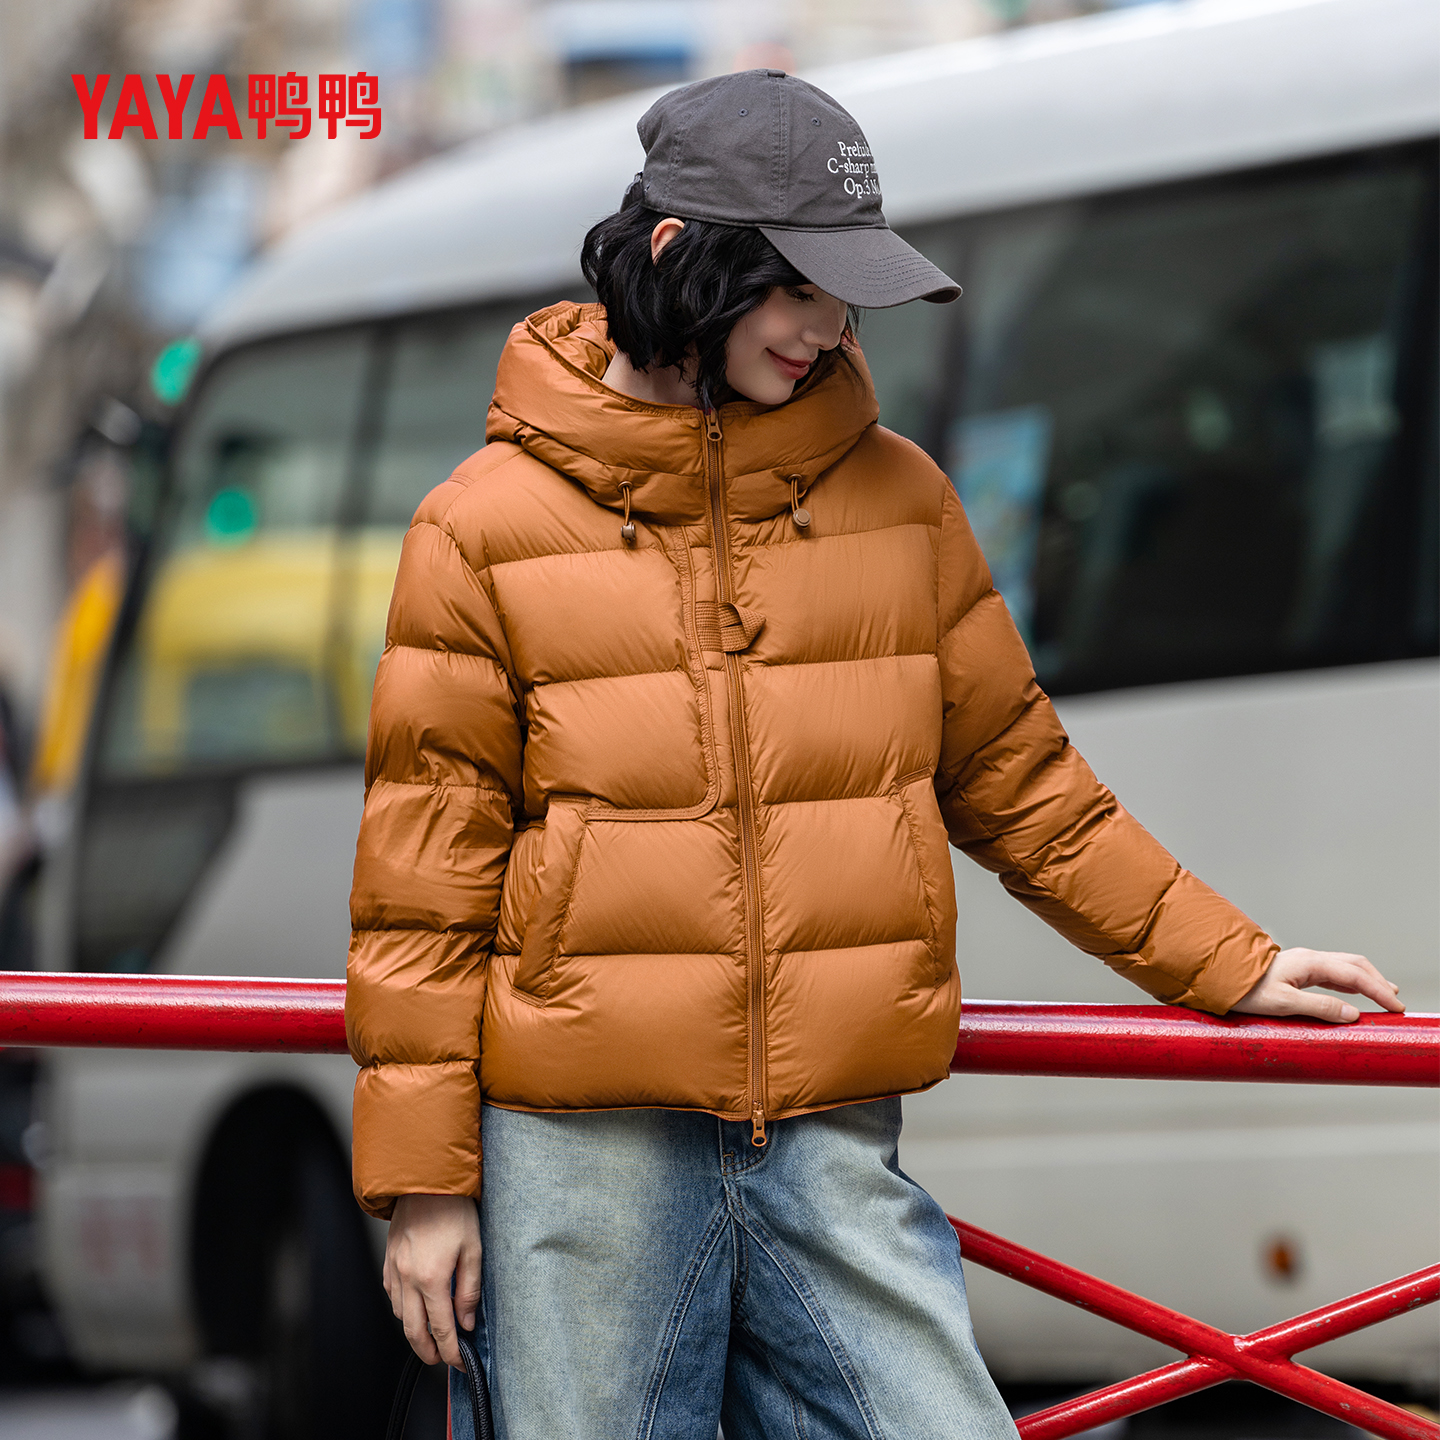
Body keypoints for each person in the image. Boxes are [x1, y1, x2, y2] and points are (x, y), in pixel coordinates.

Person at [345, 70, 1403, 1439]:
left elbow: (1028, 789)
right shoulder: (479, 527)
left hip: (832, 1142)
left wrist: (1233, 962)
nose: (829, 330)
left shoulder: (901, 499)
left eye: (845, 296)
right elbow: (422, 891)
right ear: (678, 256)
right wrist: (426, 1189)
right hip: (585, 1160)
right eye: (797, 290)